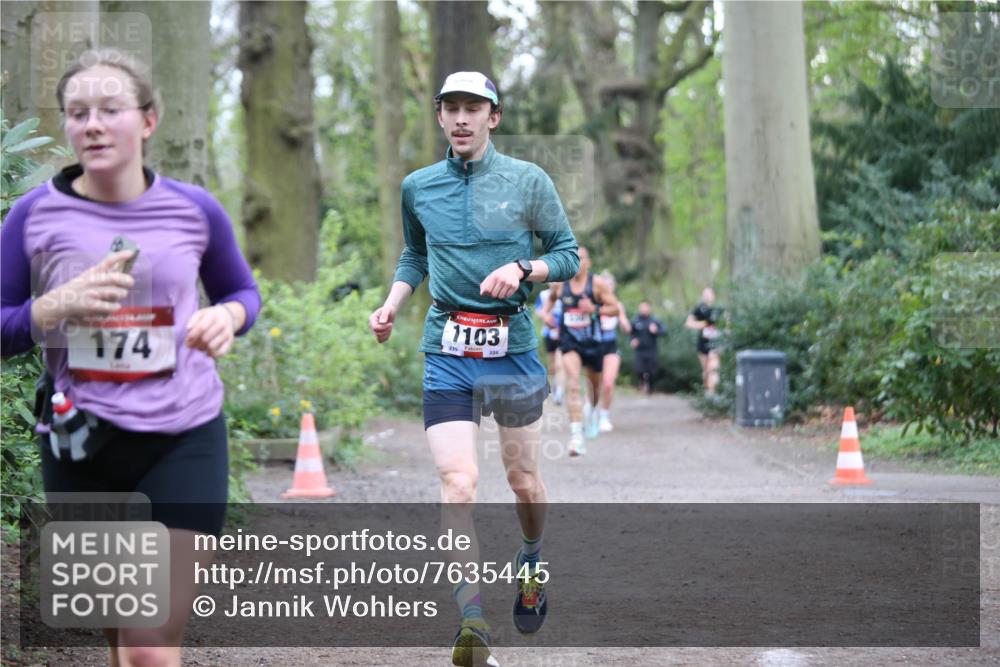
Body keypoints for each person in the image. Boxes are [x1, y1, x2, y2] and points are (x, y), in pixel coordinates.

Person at [0, 49, 260, 666]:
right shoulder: (33, 216)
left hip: (185, 436)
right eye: (77, 112)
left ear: (147, 120)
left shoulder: (195, 209)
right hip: (81, 443)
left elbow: (242, 293)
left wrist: (227, 317)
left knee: (148, 641)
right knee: (123, 632)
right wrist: (51, 307)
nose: (91, 124)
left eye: (109, 109)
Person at [367, 71, 579, 667]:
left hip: (510, 346)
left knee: (523, 482)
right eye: (451, 108)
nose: (462, 118)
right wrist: (392, 303)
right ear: (439, 116)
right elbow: (414, 254)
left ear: (494, 116)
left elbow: (567, 253)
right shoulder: (418, 187)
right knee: (458, 483)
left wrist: (523, 268)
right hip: (447, 350)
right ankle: (472, 619)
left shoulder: (528, 180)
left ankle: (532, 558)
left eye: (473, 108)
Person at [541, 246, 619, 455]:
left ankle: (592, 411)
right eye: (574, 258)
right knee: (573, 384)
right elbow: (547, 305)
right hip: (570, 342)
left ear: (588, 263)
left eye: (581, 258)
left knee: (594, 386)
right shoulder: (560, 285)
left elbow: (615, 308)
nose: (577, 262)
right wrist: (546, 317)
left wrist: (595, 309)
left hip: (593, 342)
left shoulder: (597, 285)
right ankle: (576, 437)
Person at [595, 271, 630, 432]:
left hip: (611, 346)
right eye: (604, 286)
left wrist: (625, 325)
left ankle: (604, 415)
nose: (607, 289)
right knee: (595, 385)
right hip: (593, 347)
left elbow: (624, 323)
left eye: (610, 286)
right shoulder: (593, 302)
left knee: (608, 383)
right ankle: (592, 410)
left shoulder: (617, 305)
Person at [685, 287, 722, 394]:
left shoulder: (719, 308)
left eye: (709, 294)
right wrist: (703, 324)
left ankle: (713, 393)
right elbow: (688, 323)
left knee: (713, 368)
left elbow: (727, 323)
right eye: (705, 294)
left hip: (716, 342)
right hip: (703, 343)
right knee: (706, 370)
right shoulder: (699, 309)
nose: (707, 296)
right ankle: (707, 390)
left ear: (714, 296)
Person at [534, 282, 564, 405]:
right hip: (549, 333)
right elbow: (538, 310)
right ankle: (555, 387)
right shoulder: (544, 295)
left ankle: (560, 392)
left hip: (563, 334)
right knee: (552, 366)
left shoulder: (564, 293)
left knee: (559, 364)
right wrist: (545, 317)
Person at [630, 301, 665, 394]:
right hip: (639, 350)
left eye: (645, 307)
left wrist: (656, 331)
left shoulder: (655, 320)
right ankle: (642, 382)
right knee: (639, 370)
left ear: (649, 308)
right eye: (642, 307)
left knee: (652, 371)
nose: (643, 309)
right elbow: (631, 333)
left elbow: (663, 331)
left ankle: (650, 388)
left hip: (651, 349)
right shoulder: (635, 320)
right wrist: (633, 340)